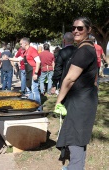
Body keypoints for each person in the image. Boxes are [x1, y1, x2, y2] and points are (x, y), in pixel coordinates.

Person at [55, 17, 98, 170]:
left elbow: (69, 79)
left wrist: (58, 100)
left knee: (76, 139)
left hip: (81, 103)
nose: (76, 31)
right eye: (73, 28)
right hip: (81, 100)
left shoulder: (85, 50)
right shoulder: (84, 48)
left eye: (80, 28)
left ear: (89, 29)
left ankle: (75, 167)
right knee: (77, 138)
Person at [9, 37, 42, 110]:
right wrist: (8, 58)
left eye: (21, 44)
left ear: (25, 43)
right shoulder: (24, 52)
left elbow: (38, 61)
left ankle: (38, 108)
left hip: (33, 73)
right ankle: (30, 106)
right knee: (28, 89)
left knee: (34, 90)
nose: (20, 45)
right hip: (28, 73)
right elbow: (18, 59)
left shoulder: (32, 50)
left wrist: (36, 73)